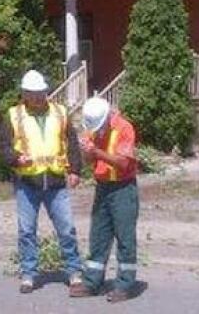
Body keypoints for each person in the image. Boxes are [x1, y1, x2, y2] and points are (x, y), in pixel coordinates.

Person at [0, 69, 84, 294]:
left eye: (40, 93)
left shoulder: (60, 113)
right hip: (28, 182)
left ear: (46, 91)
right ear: (24, 94)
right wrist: (15, 158)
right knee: (26, 231)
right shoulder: (14, 115)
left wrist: (75, 170)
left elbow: (71, 142)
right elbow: (3, 147)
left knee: (66, 229)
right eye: (31, 93)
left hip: (55, 181)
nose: (37, 97)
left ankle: (74, 271)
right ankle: (29, 274)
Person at [70, 97, 140, 303]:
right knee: (98, 234)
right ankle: (92, 280)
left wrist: (97, 152)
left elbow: (123, 162)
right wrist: (87, 153)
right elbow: (90, 159)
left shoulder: (125, 128)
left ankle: (126, 284)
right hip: (102, 187)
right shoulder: (93, 128)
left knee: (125, 237)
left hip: (123, 188)